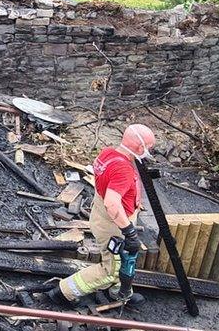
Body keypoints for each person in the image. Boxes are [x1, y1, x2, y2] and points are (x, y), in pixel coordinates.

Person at [46, 124, 156, 306]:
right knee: (110, 269)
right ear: (139, 148)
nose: (149, 152)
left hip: (101, 216)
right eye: (149, 148)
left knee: (122, 260)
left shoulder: (108, 154)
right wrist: (129, 231)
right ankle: (63, 292)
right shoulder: (123, 170)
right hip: (113, 224)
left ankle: (119, 293)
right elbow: (112, 203)